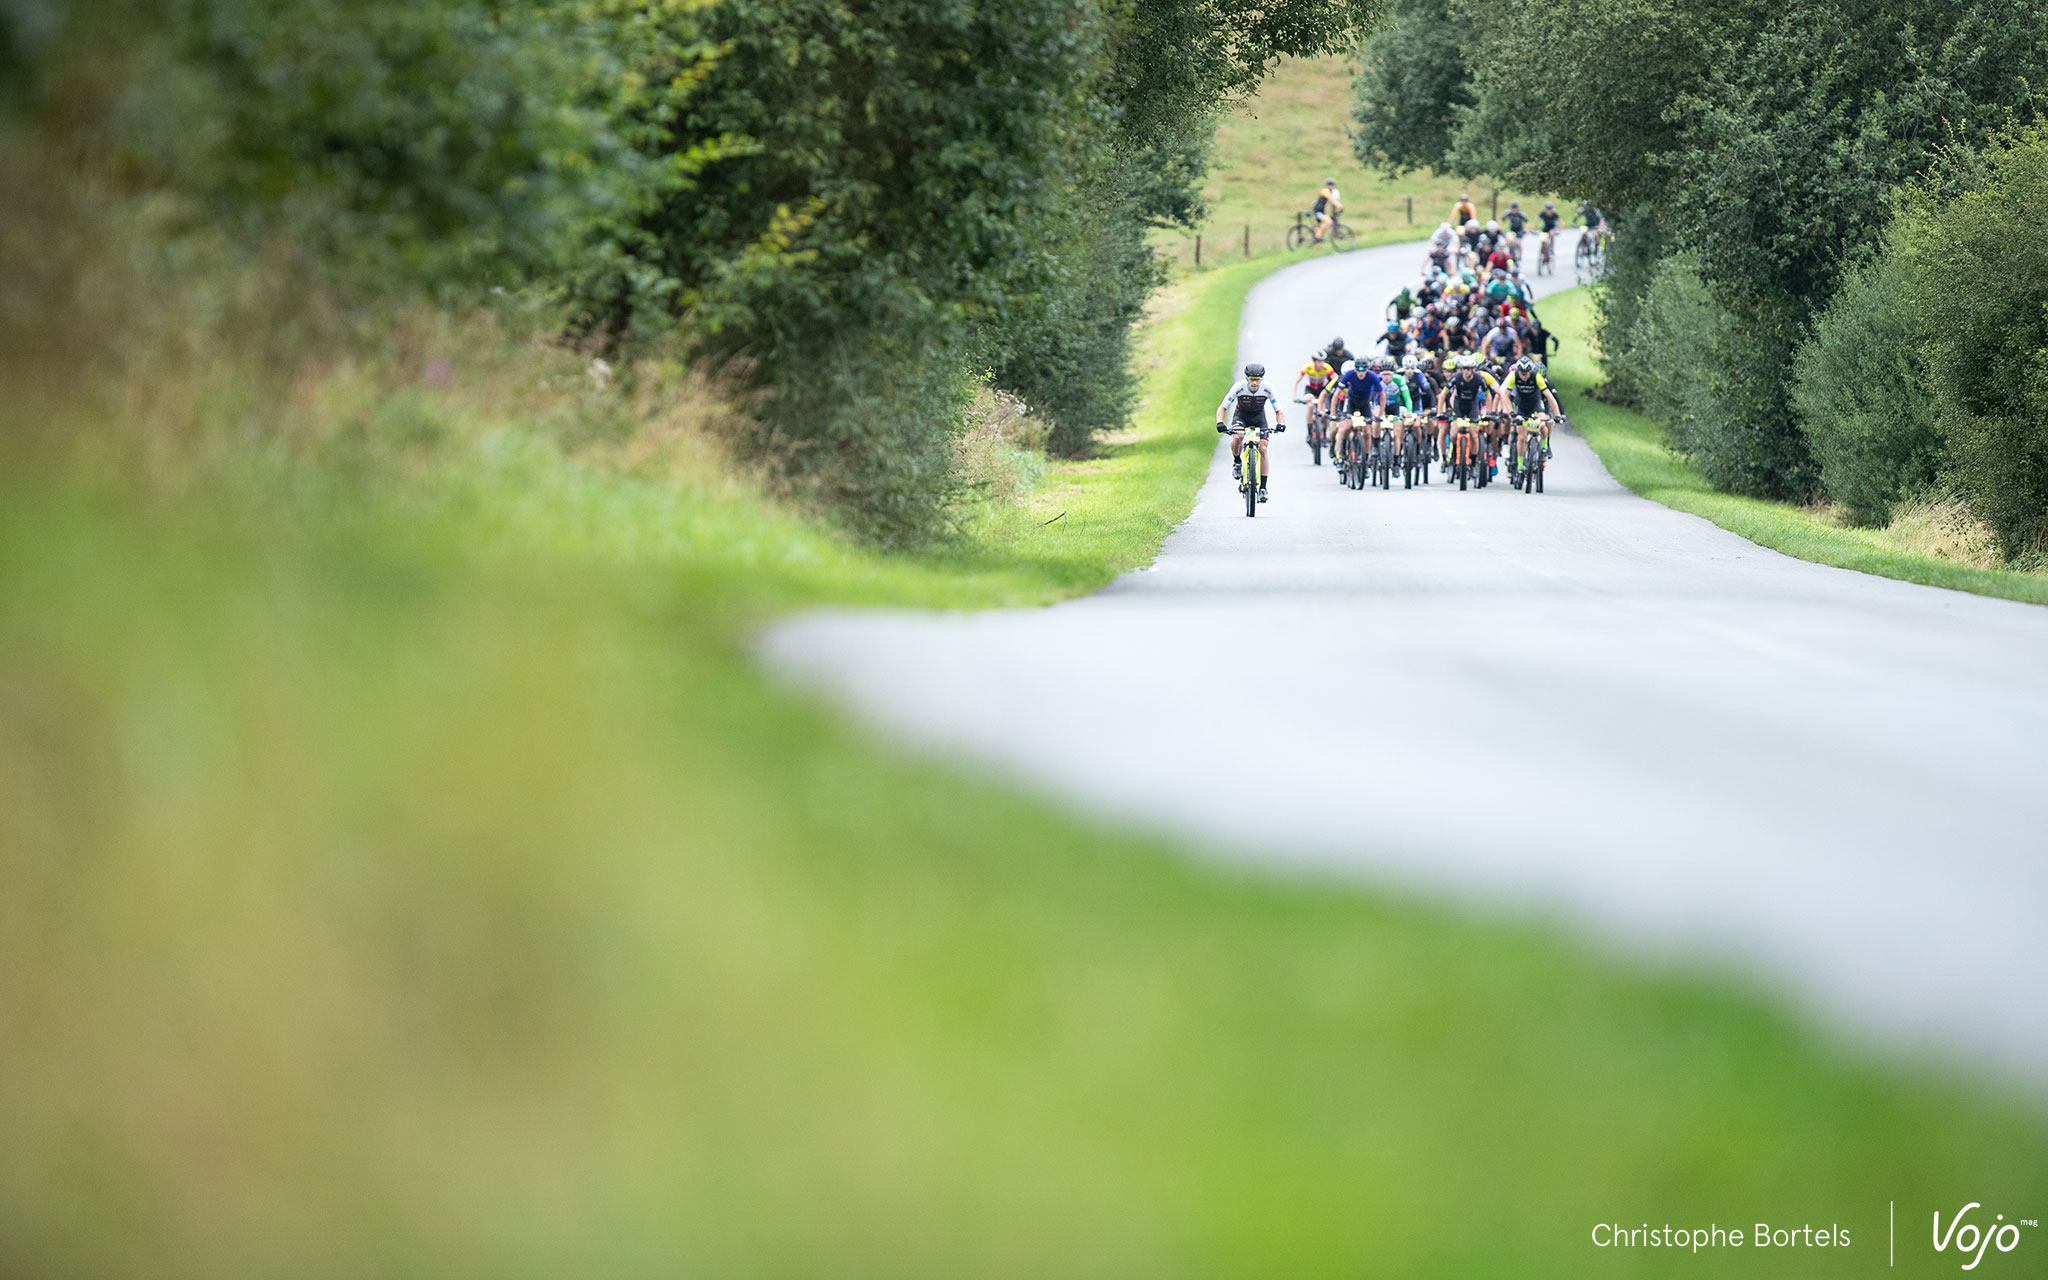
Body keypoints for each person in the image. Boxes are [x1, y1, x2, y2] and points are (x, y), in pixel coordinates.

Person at [1216, 362, 1286, 499]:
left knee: (1263, 448)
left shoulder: (1268, 388)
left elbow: (1278, 410)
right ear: (1246, 378)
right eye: (1252, 379)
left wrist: (1280, 424)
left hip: (1259, 419)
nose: (1254, 383)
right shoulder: (1239, 387)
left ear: (1262, 379)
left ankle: (1263, 488)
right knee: (1238, 436)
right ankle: (1237, 462)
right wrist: (1220, 422)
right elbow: (1223, 407)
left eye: (1257, 379)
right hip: (1241, 417)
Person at [1497, 355, 1563, 474]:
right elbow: (1506, 396)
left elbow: (1549, 396)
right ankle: (1520, 464)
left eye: (1526, 374)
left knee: (1543, 423)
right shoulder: (1514, 376)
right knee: (1522, 436)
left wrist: (1557, 414)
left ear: (1530, 371)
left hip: (1535, 403)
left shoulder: (1536, 377)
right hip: (1521, 405)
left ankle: (1544, 447)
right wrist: (1511, 412)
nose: (1524, 376)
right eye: (1522, 374)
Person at [1312, 178, 1343, 244]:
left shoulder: (1330, 192)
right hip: (1318, 211)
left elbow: (1329, 203)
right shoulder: (1325, 191)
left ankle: (1316, 242)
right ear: (1327, 185)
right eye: (1330, 184)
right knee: (1329, 222)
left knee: (1319, 227)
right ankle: (1317, 237)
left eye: (1332, 184)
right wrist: (1339, 205)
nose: (1331, 186)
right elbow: (1332, 200)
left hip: (1322, 211)